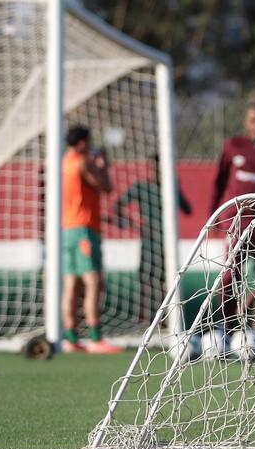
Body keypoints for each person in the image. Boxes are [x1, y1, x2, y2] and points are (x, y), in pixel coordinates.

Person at [208, 102, 255, 336]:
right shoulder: (233, 146)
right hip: (237, 224)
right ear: (246, 121)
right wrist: (212, 216)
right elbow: (218, 182)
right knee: (231, 274)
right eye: (253, 120)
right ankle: (226, 328)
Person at [60, 125, 122, 353]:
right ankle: (95, 338)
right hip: (84, 228)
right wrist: (103, 166)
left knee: (71, 284)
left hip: (67, 229)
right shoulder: (82, 162)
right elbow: (106, 186)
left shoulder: (64, 162)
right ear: (83, 143)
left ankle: (70, 337)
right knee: (93, 282)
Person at [114, 155, 192, 323]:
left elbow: (187, 210)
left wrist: (177, 189)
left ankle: (164, 319)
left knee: (167, 279)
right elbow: (118, 205)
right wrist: (133, 224)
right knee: (146, 279)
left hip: (167, 242)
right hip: (149, 241)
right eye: (156, 168)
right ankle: (145, 319)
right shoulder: (143, 187)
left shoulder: (171, 188)